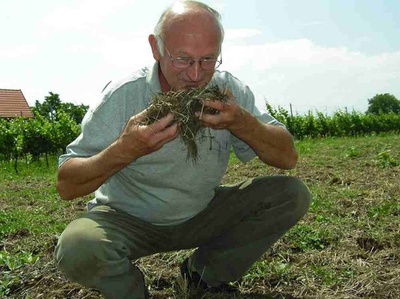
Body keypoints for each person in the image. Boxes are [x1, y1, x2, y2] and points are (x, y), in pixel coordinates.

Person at [54, 1, 311, 298]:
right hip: (129, 220)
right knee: (78, 247)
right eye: (182, 59)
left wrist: (242, 122)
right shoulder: (125, 94)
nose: (195, 74)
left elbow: (287, 157)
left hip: (202, 212)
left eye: (207, 60)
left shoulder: (226, 90)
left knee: (289, 195)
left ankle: (202, 278)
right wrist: (125, 150)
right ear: (156, 48)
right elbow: (66, 184)